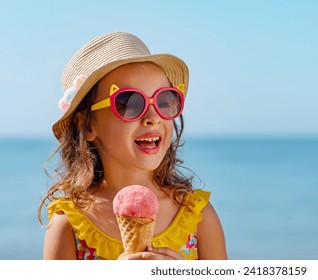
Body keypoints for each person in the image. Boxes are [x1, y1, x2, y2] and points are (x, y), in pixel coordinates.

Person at [38, 31, 227, 260]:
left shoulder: (198, 215)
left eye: (164, 101)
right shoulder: (69, 225)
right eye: (129, 102)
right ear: (87, 125)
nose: (153, 117)